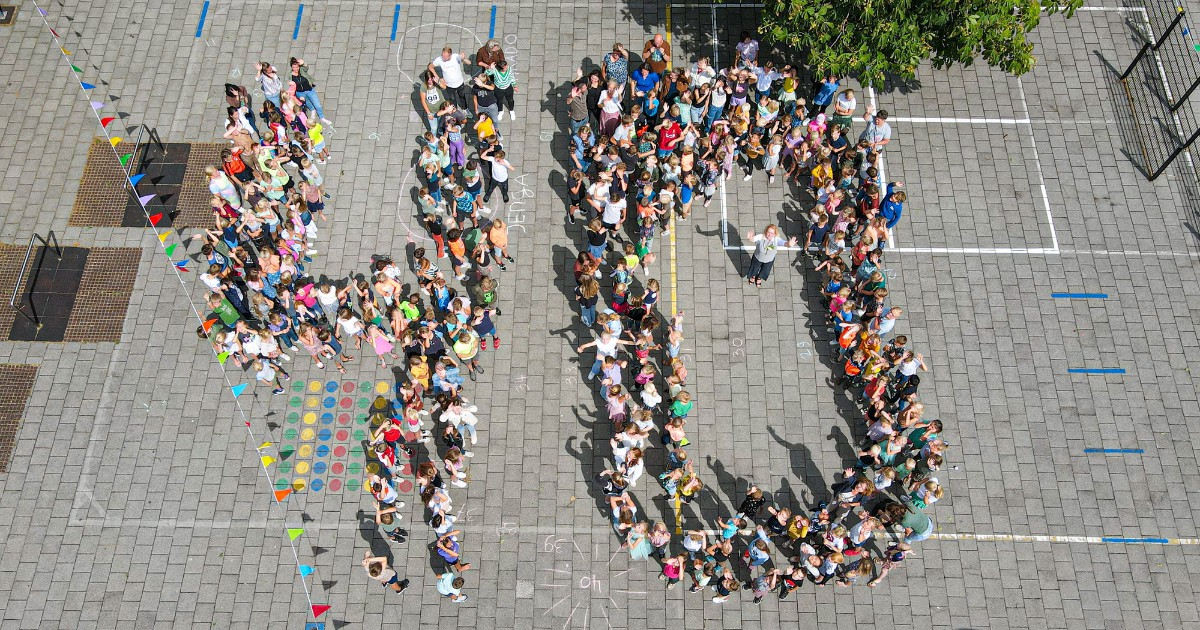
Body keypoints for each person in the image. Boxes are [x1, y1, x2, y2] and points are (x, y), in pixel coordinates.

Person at [429, 47, 472, 112]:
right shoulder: (439, 59)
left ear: (450, 55)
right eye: (442, 55)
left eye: (445, 57)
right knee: (452, 99)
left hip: (459, 83)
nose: (443, 58)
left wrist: (464, 59)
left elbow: (469, 63)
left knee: (462, 97)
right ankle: (455, 110)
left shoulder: (456, 57)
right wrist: (438, 78)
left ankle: (465, 109)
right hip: (449, 85)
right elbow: (430, 67)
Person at [289, 57, 331, 124]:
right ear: (291, 67)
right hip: (300, 92)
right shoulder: (290, 74)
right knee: (308, 103)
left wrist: (303, 63)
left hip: (309, 90)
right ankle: (312, 111)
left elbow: (306, 67)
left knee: (318, 105)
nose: (296, 69)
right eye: (294, 67)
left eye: (297, 67)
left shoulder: (302, 70)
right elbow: (291, 83)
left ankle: (322, 117)